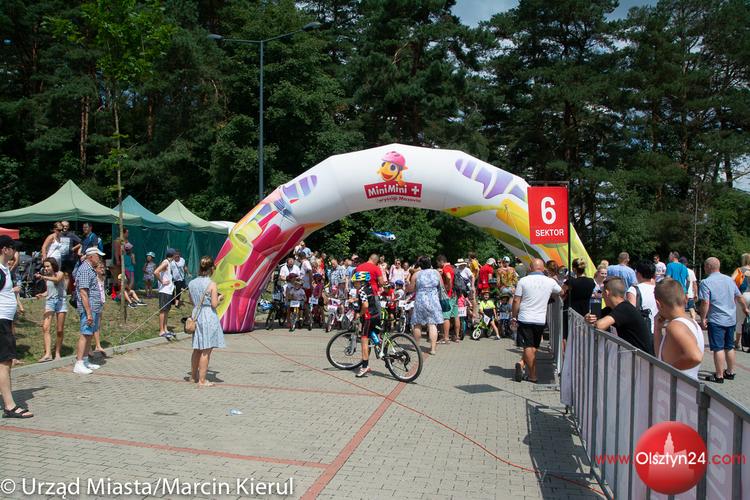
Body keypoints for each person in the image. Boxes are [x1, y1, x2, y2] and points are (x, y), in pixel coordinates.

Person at [699, 257, 750, 383]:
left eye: (705, 266)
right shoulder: (729, 280)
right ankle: (730, 372)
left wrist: (703, 318)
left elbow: (705, 302)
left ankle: (719, 375)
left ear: (708, 267)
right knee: (729, 346)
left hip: (716, 319)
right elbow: (739, 297)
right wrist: (745, 309)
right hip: (730, 319)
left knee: (718, 348)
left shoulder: (706, 282)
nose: (704, 268)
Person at [512, 258, 562, 383]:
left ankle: (532, 375)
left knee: (528, 346)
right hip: (540, 319)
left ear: (530, 268)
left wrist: (514, 316)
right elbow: (561, 292)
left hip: (525, 317)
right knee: (534, 346)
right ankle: (523, 364)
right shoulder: (550, 281)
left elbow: (516, 300)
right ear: (543, 268)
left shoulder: (523, 281)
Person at [0, 235, 32, 418]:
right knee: (5, 363)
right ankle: (10, 406)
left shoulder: (4, 269)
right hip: (1, 322)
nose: (16, 252)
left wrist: (12, 292)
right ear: (5, 249)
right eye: (13, 248)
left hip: (4, 320)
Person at [584, 277, 653, 354]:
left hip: (641, 357)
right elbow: (593, 316)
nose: (602, 296)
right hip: (631, 356)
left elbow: (600, 325)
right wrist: (588, 317)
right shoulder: (611, 309)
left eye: (602, 292)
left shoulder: (625, 308)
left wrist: (594, 321)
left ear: (607, 293)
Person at [653, 279, 704, 380]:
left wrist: (668, 370)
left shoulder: (675, 326)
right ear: (686, 298)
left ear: (658, 304)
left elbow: (695, 357)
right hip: (684, 386)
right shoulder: (692, 323)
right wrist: (657, 330)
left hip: (677, 386)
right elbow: (660, 356)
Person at [188, 256, 226, 387]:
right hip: (208, 315)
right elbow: (214, 304)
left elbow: (192, 301)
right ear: (211, 269)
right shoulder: (212, 284)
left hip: (196, 314)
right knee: (206, 349)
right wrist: (220, 298)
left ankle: (193, 376)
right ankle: (202, 380)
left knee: (197, 348)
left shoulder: (192, 283)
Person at [73, 247, 105, 375]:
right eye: (98, 256)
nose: (99, 258)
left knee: (90, 334)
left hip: (94, 307)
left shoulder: (90, 269)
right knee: (85, 334)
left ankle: (85, 360)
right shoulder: (85, 270)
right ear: (91, 256)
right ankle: (79, 362)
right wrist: (88, 313)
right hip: (89, 308)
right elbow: (83, 292)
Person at [407, 255, 442, 355]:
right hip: (433, 300)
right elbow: (441, 286)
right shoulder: (436, 273)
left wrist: (408, 284)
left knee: (417, 324)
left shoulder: (416, 275)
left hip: (420, 301)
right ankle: (433, 349)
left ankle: (417, 347)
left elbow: (411, 289)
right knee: (432, 324)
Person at [35, 258, 67, 362]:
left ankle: (57, 352)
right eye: (45, 266)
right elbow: (49, 290)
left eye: (48, 266)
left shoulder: (60, 273)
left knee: (59, 329)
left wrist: (43, 276)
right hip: (50, 302)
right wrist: (42, 294)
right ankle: (48, 354)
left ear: (53, 266)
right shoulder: (47, 277)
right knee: (45, 327)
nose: (46, 268)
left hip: (61, 301)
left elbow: (57, 280)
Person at [351, 271, 381, 378]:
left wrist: (359, 314)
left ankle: (365, 366)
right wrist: (355, 299)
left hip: (368, 318)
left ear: (361, 282)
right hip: (376, 315)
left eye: (356, 282)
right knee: (374, 336)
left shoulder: (361, 291)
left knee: (364, 340)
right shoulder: (369, 288)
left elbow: (365, 305)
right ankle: (381, 349)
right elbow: (367, 298)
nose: (354, 284)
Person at [561, 258, 596, 346]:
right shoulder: (591, 282)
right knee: (581, 336)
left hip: (570, 311)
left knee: (566, 335)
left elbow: (561, 293)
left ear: (574, 269)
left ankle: (566, 352)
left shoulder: (571, 282)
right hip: (584, 312)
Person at [625, 260, 658, 340]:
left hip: (641, 332)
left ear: (638, 274)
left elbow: (630, 312)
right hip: (657, 331)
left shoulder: (633, 290)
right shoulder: (658, 289)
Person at [436, 255, 460, 343]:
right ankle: (457, 336)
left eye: (438, 263)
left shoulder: (446, 268)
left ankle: (446, 338)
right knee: (455, 315)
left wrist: (448, 288)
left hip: (448, 295)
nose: (438, 265)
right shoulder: (452, 267)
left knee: (446, 316)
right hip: (455, 294)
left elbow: (449, 277)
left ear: (441, 261)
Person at [154, 249, 176, 339]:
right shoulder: (166, 262)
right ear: (173, 255)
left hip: (169, 290)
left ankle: (165, 329)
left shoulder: (168, 263)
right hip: (164, 291)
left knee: (167, 310)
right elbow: (156, 272)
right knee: (163, 310)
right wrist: (162, 281)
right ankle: (161, 331)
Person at [731, 253, 750, 349]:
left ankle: (737, 342)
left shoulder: (739, 270)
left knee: (740, 319)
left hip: (743, 295)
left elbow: (731, 280)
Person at [91, 262, 107, 356]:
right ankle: (92, 346)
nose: (102, 269)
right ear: (95, 269)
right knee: (93, 325)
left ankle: (97, 345)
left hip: (100, 303)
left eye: (103, 267)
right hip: (94, 303)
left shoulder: (103, 278)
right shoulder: (94, 278)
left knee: (97, 325)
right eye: (100, 267)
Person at [680, 257, 698, 321]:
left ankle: (682, 322)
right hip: (690, 293)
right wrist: (696, 293)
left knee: (681, 309)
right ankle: (694, 320)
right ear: (686, 263)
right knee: (691, 308)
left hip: (681, 293)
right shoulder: (691, 271)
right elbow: (694, 283)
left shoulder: (679, 271)